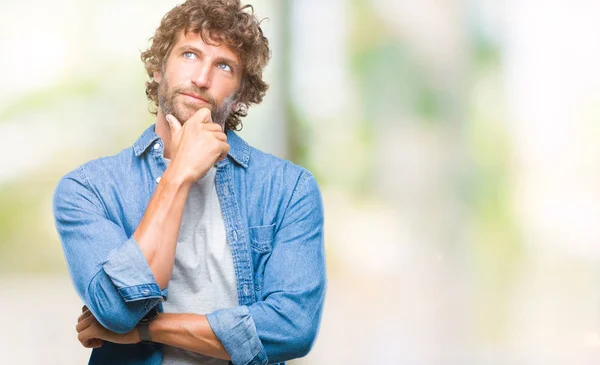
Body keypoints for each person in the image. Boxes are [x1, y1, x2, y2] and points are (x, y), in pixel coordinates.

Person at [52, 1, 326, 364]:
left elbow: (293, 328)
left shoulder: (289, 190)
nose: (201, 78)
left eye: (224, 65)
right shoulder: (89, 189)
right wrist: (178, 173)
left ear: (242, 92)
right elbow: (118, 310)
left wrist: (147, 330)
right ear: (158, 67)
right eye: (190, 54)